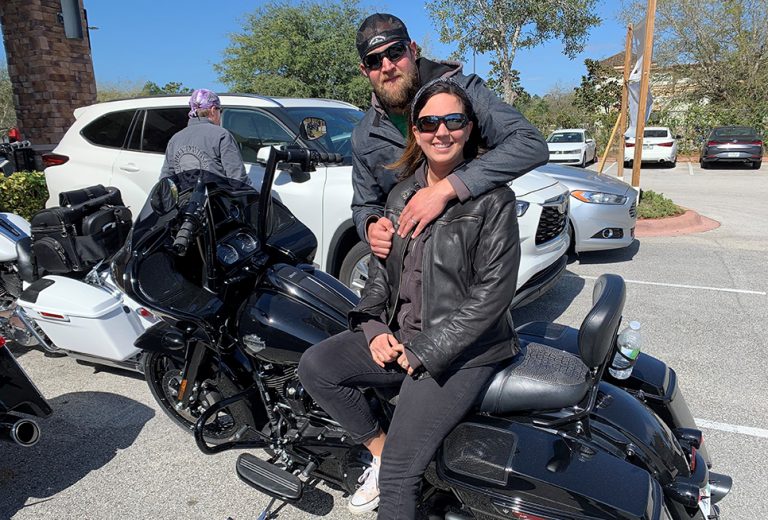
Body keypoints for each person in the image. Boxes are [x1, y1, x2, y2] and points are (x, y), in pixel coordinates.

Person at [299, 78, 521, 518]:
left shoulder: (494, 199)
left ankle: (393, 462)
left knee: (401, 475)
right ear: (415, 133)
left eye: (453, 120)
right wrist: (374, 327)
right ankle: (380, 449)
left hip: (461, 353)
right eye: (428, 122)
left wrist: (425, 350)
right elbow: (381, 277)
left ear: (470, 127)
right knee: (316, 366)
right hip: (404, 340)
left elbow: (492, 295)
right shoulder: (402, 195)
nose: (442, 132)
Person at [351, 13, 547, 261]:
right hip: (411, 261)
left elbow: (530, 143)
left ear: (412, 50)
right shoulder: (364, 135)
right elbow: (364, 204)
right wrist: (370, 227)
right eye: (374, 61)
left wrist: (445, 189)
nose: (387, 66)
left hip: (472, 251)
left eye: (395, 52)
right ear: (364, 70)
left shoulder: (463, 92)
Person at [160, 88, 249, 185]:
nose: (220, 114)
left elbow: (166, 180)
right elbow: (237, 178)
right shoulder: (221, 135)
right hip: (216, 199)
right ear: (213, 110)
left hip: (184, 199)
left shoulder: (175, 139)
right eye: (220, 110)